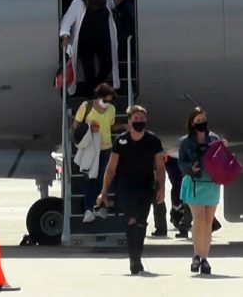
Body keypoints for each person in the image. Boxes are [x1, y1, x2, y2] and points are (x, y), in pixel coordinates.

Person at [97, 105, 165, 275]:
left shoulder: (153, 141)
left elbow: (160, 167)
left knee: (141, 223)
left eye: (142, 119)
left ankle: (138, 255)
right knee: (131, 220)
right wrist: (104, 192)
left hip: (146, 185)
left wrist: (161, 188)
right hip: (126, 186)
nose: (139, 122)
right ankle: (133, 260)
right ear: (129, 121)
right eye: (136, 119)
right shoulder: (121, 141)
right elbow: (111, 168)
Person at [58, 0, 133, 96]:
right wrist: (65, 36)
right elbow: (66, 21)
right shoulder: (78, 4)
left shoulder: (103, 2)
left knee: (107, 65)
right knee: (89, 71)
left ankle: (98, 87)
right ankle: (90, 95)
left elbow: (112, 3)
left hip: (101, 41)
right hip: (85, 42)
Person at [178, 107, 224, 274]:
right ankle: (196, 255)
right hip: (194, 183)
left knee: (208, 221)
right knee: (198, 219)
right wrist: (191, 167)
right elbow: (181, 163)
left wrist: (223, 148)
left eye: (203, 119)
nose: (202, 123)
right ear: (192, 123)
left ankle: (205, 258)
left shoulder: (214, 139)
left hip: (211, 183)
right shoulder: (185, 141)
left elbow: (222, 160)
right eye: (198, 121)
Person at [74, 83, 124, 222]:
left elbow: (111, 126)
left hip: (106, 147)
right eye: (106, 100)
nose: (108, 103)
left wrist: (123, 126)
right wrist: (89, 128)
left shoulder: (111, 109)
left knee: (103, 178)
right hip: (91, 148)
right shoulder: (86, 106)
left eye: (110, 101)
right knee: (91, 178)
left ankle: (99, 206)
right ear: (99, 97)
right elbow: (76, 125)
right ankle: (88, 209)